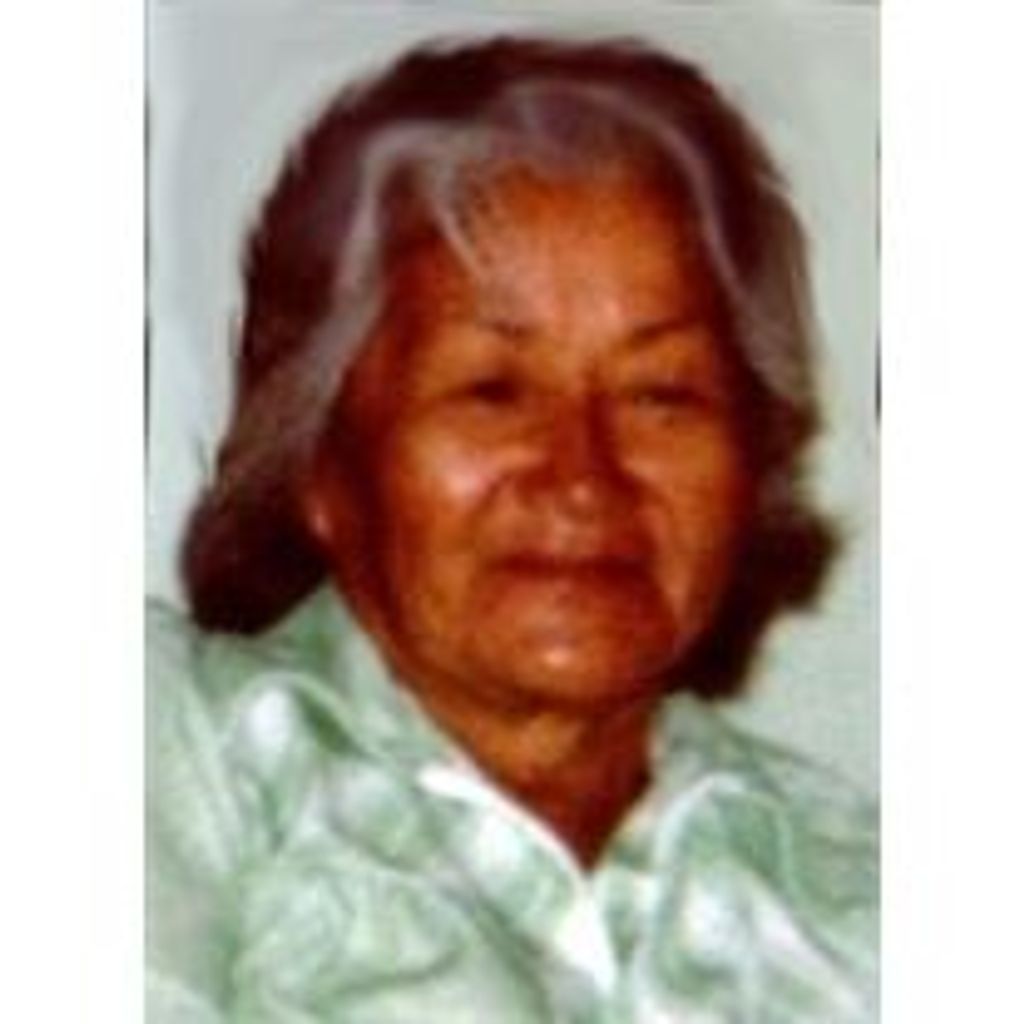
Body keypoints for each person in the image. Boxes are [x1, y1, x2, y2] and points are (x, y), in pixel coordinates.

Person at [148, 36, 878, 1023]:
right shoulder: (170, 753)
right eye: (491, 389)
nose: (583, 477)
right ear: (318, 458)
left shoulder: (854, 888)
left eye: (661, 394)